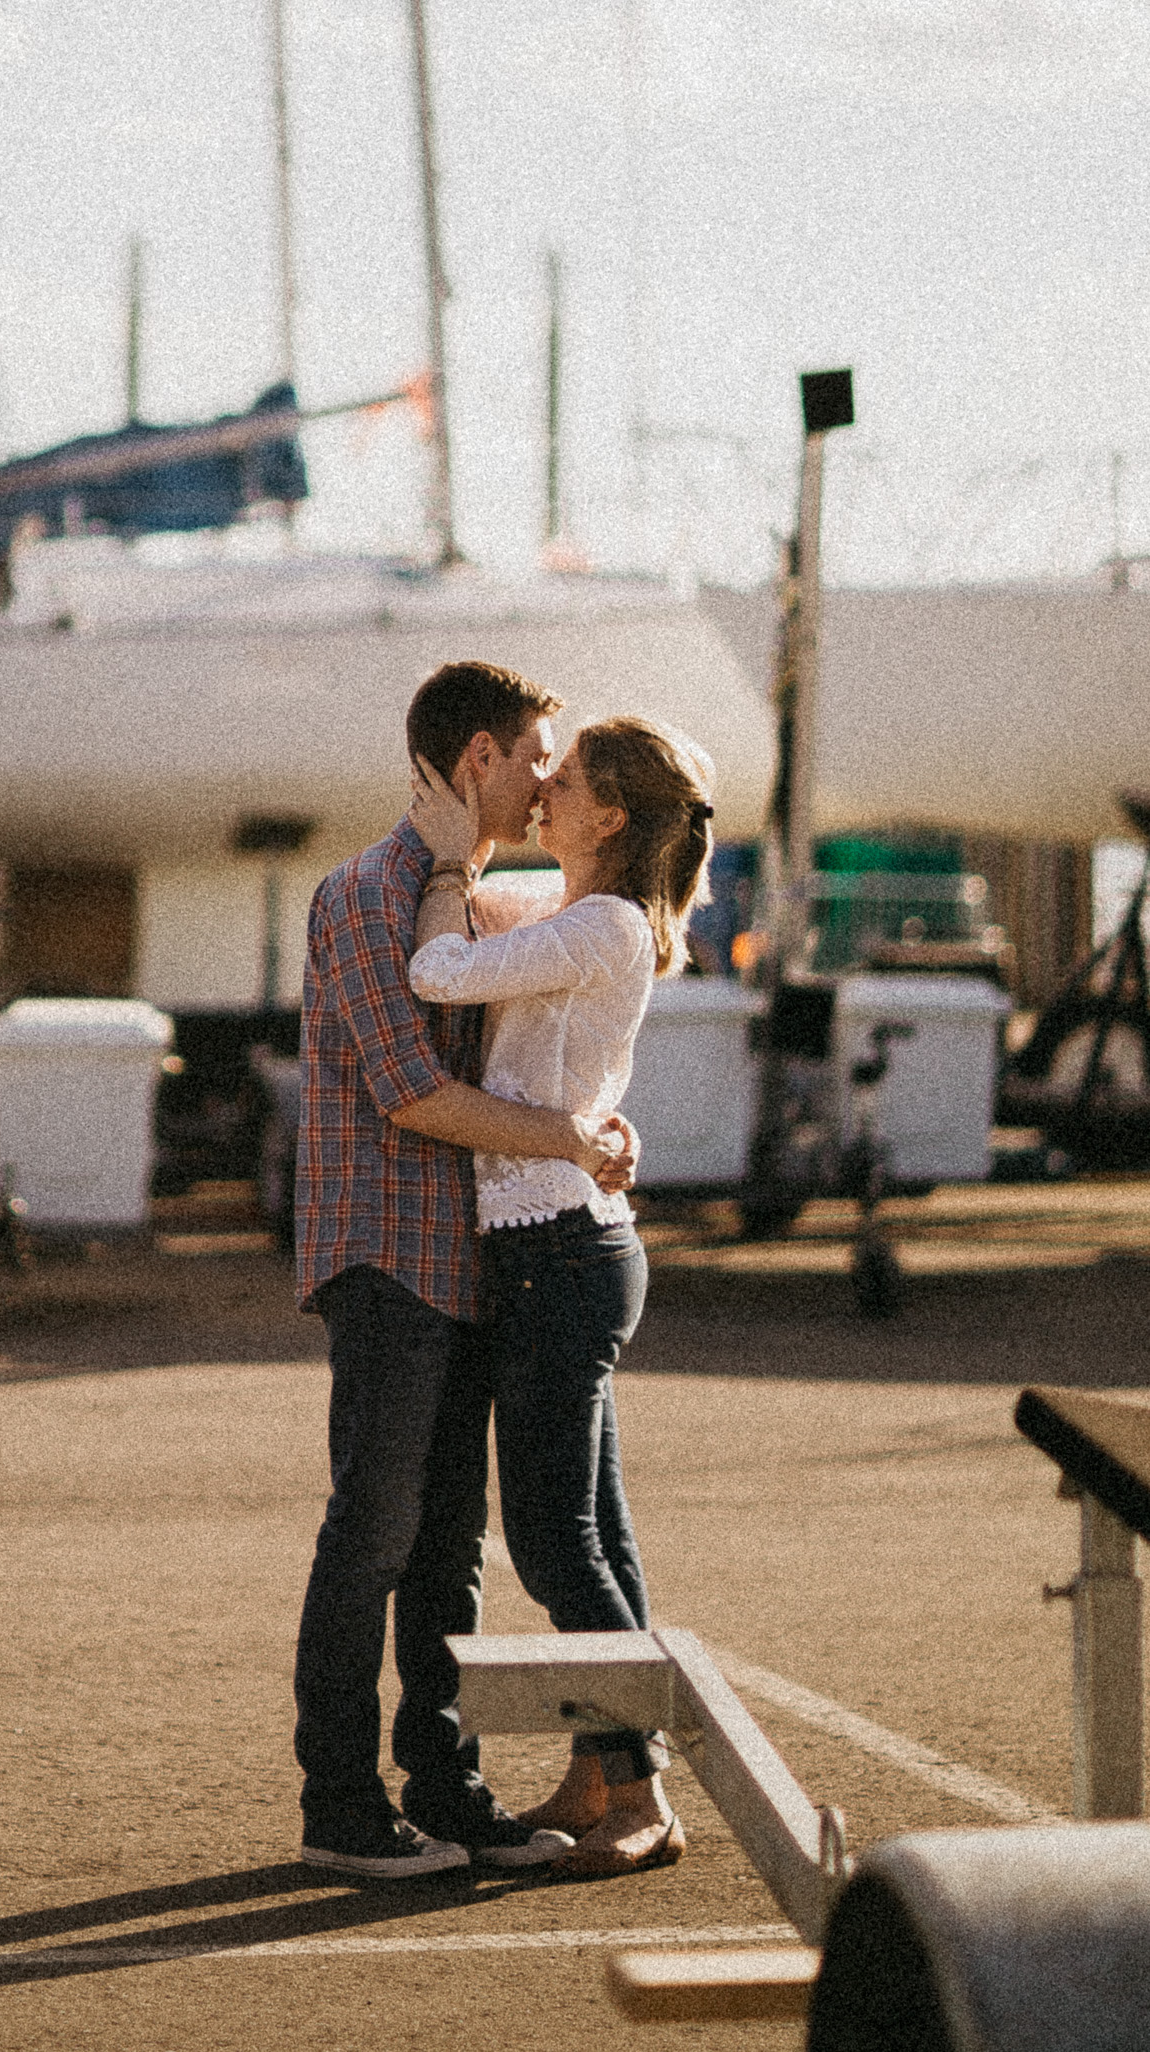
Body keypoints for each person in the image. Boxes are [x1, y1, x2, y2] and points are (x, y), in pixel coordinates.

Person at [293, 660, 639, 1882]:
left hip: (474, 1265)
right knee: (374, 1532)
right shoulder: (361, 896)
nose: (548, 778)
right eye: (536, 756)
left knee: (449, 1549)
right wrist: (572, 1139)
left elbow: (598, 957)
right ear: (479, 755)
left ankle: (446, 1795)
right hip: (387, 1258)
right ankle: (339, 1805)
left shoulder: (470, 895)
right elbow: (412, 1095)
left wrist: (592, 1109)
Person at [408, 713, 714, 1878]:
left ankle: (638, 1796)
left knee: (551, 1541)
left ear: (611, 816)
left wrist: (444, 858)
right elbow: (481, 931)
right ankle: (602, 1775)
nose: (545, 787)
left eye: (567, 778)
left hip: (559, 1259)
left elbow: (438, 965)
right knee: (596, 1534)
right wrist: (464, 856)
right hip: (564, 1250)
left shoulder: (596, 923)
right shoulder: (584, 917)